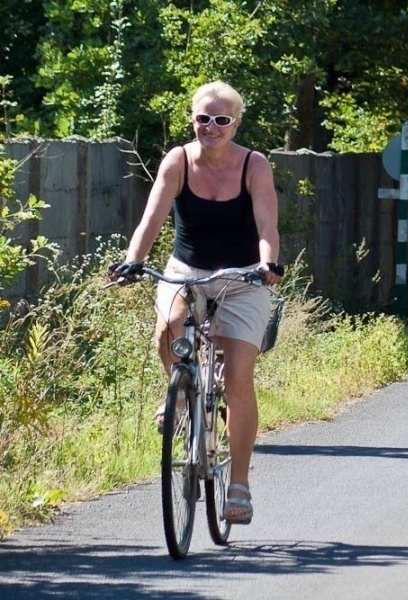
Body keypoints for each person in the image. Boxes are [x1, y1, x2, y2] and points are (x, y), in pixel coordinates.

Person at [108, 81, 283, 525]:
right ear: (193, 118)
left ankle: (239, 484)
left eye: (222, 120)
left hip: (243, 277)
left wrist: (267, 264)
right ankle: (181, 396)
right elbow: (152, 218)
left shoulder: (254, 165)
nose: (211, 126)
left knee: (240, 375)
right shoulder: (179, 161)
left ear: (235, 124)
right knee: (168, 327)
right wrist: (134, 261)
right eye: (203, 118)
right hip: (186, 270)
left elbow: (267, 224)